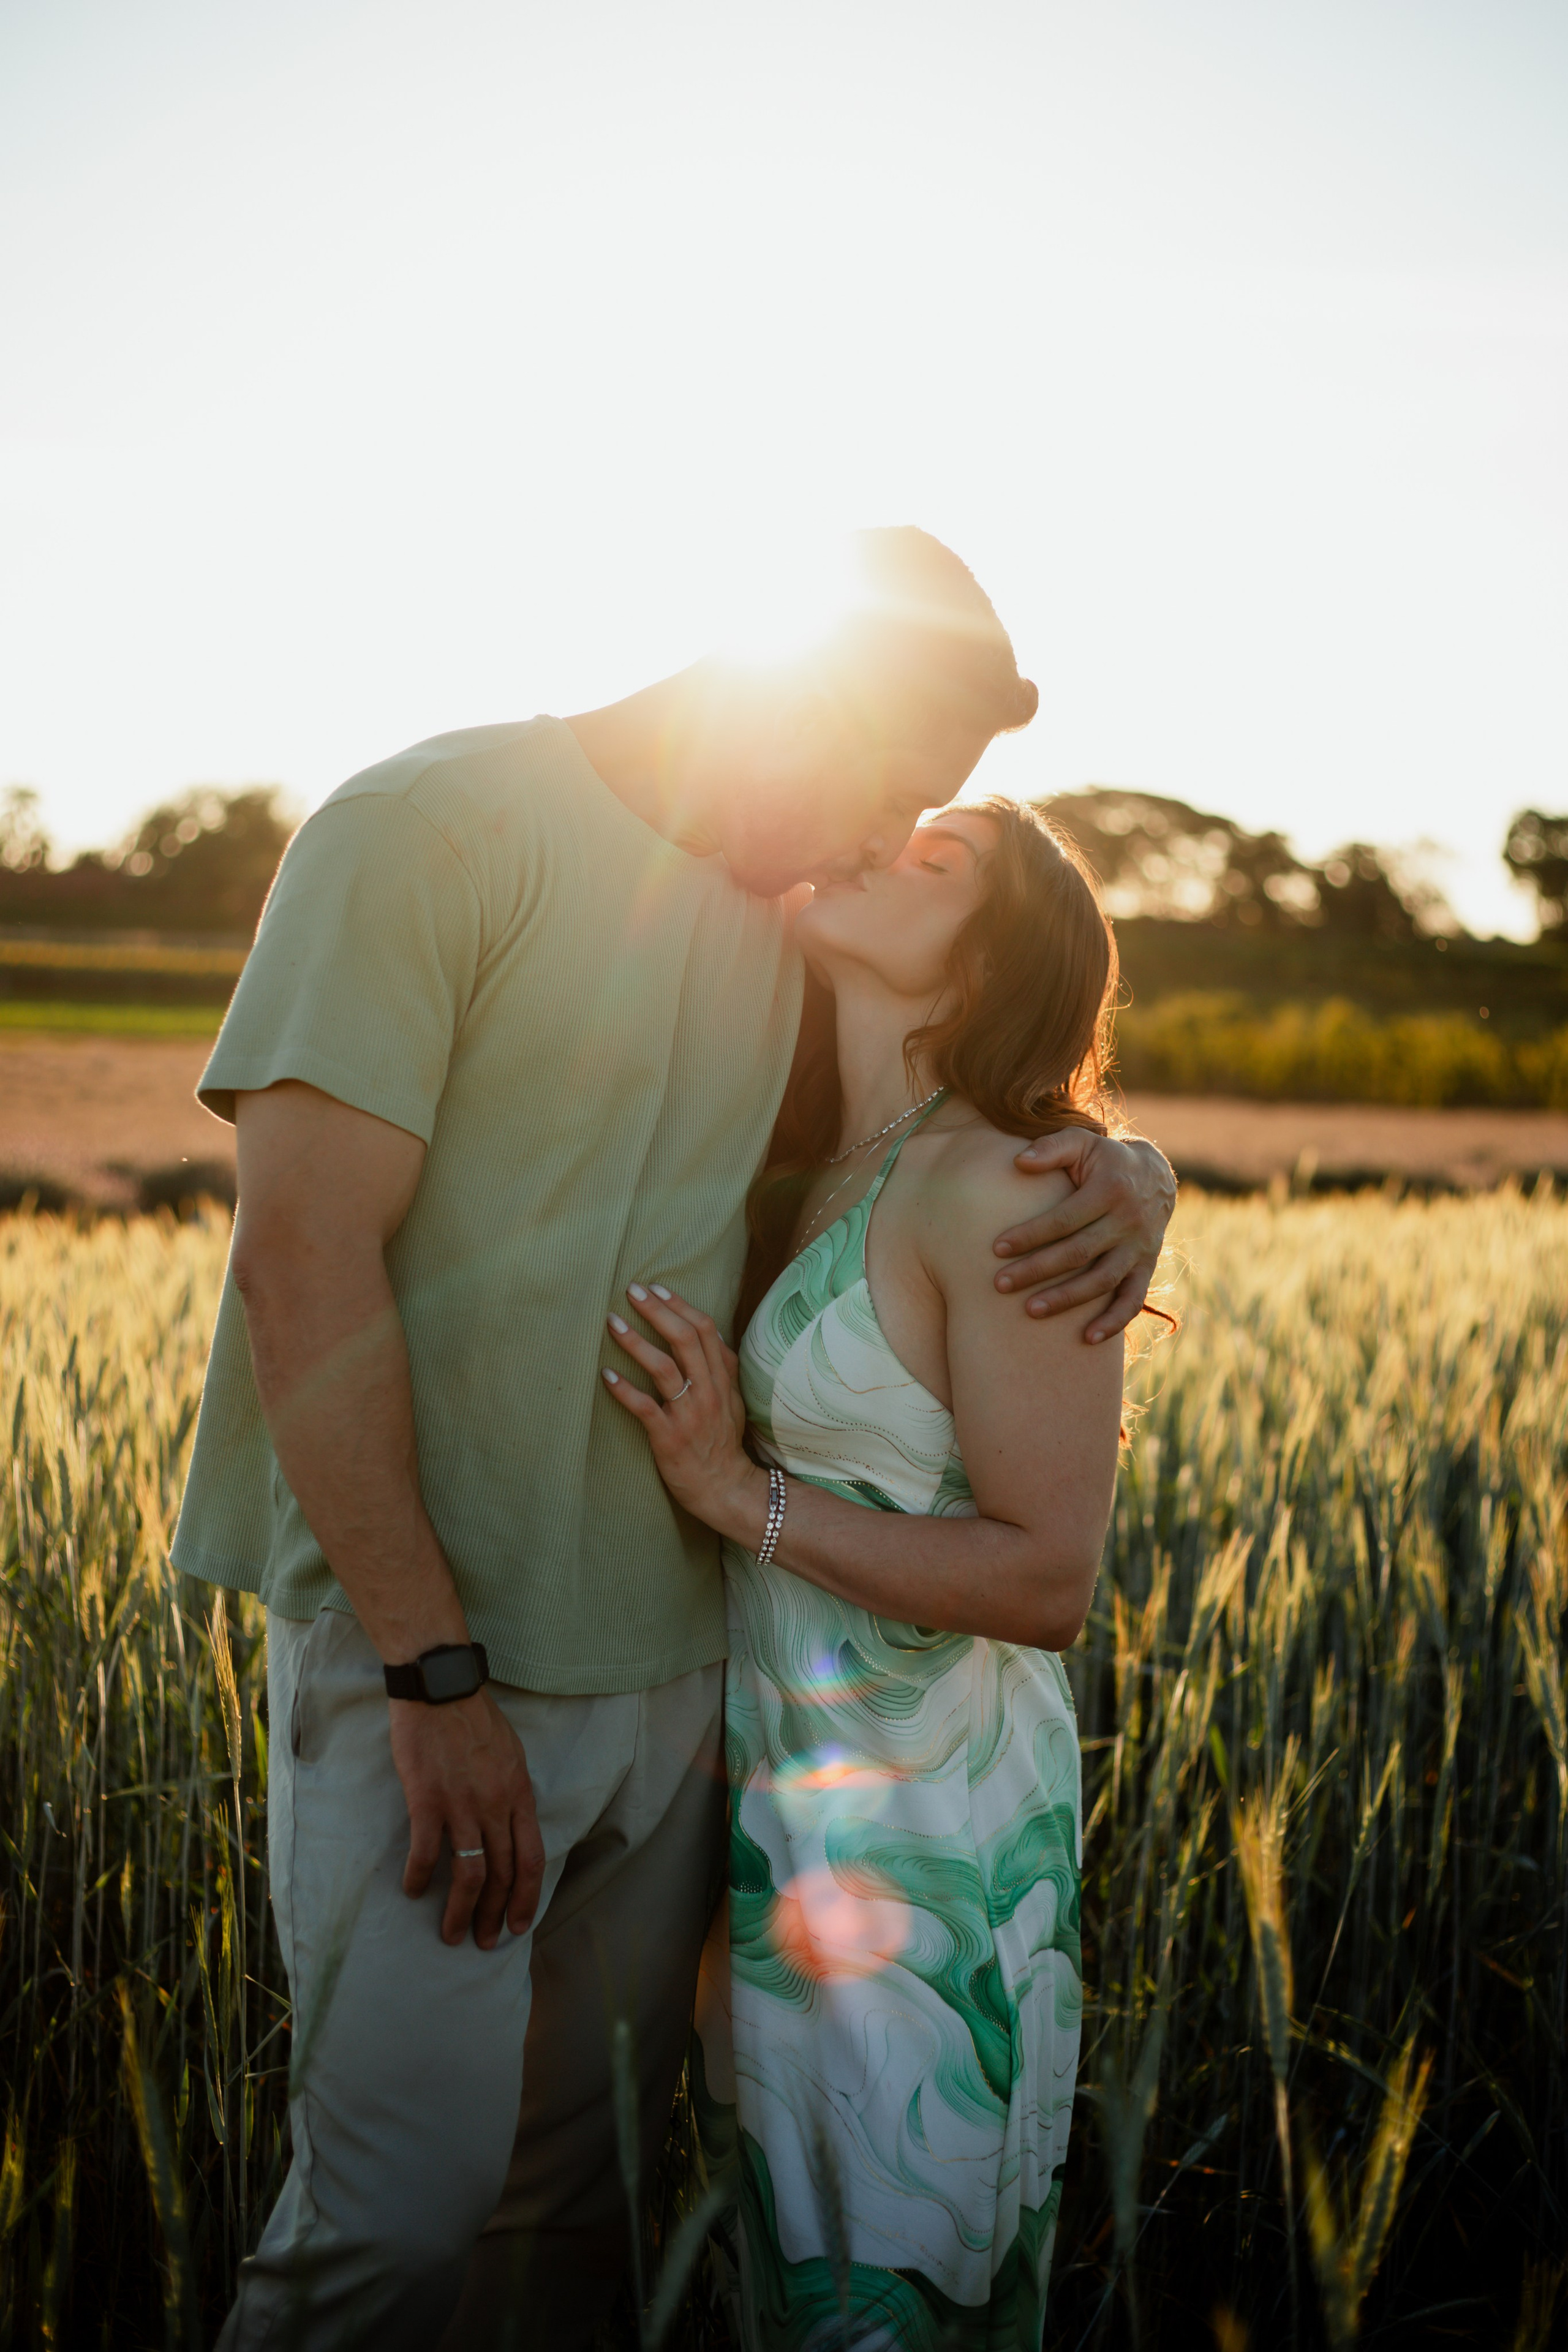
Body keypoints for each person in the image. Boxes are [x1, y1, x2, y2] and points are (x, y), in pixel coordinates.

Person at [170, 527, 1175, 2351]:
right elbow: (299, 1261)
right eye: (881, 786)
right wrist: (430, 1669)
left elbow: (949, 1115)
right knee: (387, 2234)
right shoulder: (423, 828)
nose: (871, 844)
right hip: (437, 1675)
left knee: (573, 2222)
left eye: (916, 822)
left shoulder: (780, 927)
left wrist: (1127, 1170)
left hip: (690, 1691)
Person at [603, 798, 1132, 2350]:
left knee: (892, 2297)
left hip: (933, 1841)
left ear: (983, 964)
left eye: (937, 859)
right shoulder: (812, 1162)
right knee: (803, 2290)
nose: (888, 840)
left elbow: (1049, 1578)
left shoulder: (1001, 1187)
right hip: (798, 1823)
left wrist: (733, 1495)